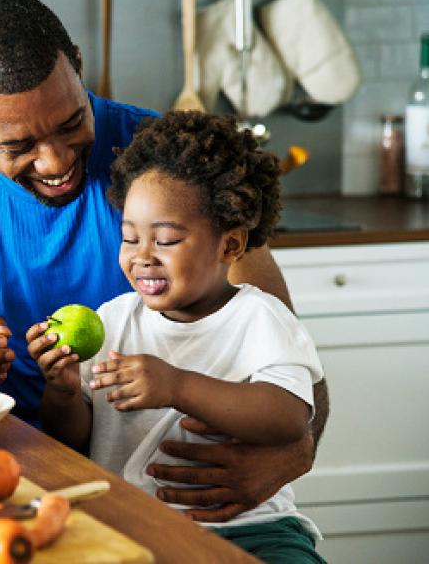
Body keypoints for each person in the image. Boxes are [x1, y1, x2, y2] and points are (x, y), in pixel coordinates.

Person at [0, 0, 330, 523]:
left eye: (72, 122)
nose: (55, 161)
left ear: (78, 63)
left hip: (179, 495)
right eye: (19, 144)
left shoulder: (167, 168)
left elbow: (293, 364)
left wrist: (293, 455)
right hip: (4, 472)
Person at [26, 111, 325, 562]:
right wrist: (63, 392)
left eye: (164, 240)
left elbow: (289, 418)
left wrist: (178, 386)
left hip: (250, 528)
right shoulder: (115, 319)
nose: (142, 258)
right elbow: (75, 439)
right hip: (131, 525)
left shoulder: (259, 318)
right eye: (130, 239)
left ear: (230, 246)